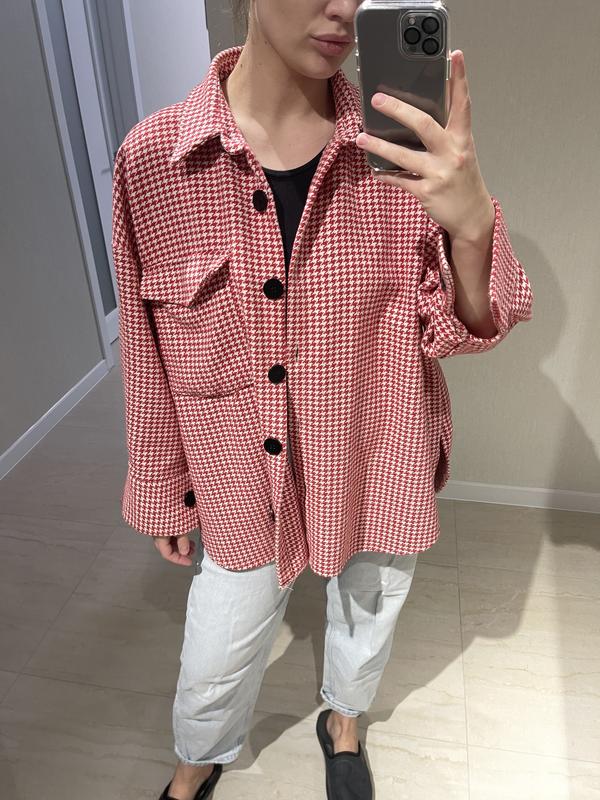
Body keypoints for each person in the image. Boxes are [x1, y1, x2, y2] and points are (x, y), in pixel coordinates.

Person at [111, 2, 533, 799]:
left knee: (370, 607)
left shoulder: (403, 154)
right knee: (218, 646)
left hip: (379, 443)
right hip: (237, 466)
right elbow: (145, 348)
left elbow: (466, 330)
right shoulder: (155, 161)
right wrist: (161, 484)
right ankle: (199, 754)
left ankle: (343, 722)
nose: (343, 6)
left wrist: (473, 227)